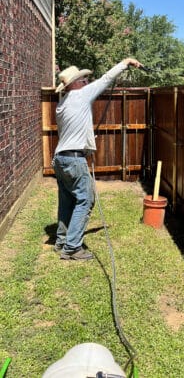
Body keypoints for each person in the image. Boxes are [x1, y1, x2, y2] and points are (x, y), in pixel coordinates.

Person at [52, 58, 143, 261]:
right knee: (86, 200)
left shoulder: (62, 104)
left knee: (67, 201)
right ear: (73, 84)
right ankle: (73, 247)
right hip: (74, 160)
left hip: (61, 158)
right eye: (83, 79)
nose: (86, 82)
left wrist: (86, 141)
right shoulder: (81, 95)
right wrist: (125, 62)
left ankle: (61, 241)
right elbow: (106, 78)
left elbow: (71, 130)